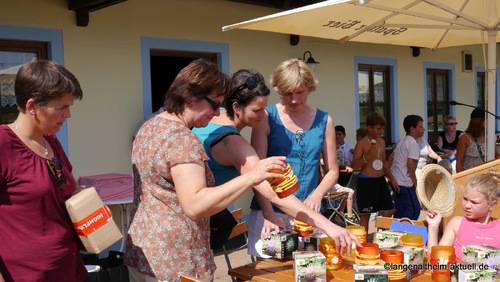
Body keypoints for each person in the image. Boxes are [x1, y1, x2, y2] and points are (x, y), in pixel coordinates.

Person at [124, 60, 287, 281]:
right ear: (190, 97)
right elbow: (195, 205)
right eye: (214, 104)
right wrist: (251, 177)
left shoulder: (149, 127)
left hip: (144, 255)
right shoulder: (183, 139)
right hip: (178, 263)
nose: (217, 112)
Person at [193, 69, 359, 258]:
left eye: (264, 108)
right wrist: (328, 225)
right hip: (195, 223)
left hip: (195, 219)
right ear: (237, 107)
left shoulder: (213, 118)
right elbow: (270, 190)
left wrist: (317, 195)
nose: (265, 115)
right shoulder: (233, 142)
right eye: (257, 110)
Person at [0, 60, 87, 281]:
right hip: (24, 275)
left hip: (68, 269)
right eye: (61, 108)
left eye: (69, 107)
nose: (68, 115)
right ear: (32, 107)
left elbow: (71, 189)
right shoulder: (3, 144)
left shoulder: (51, 142)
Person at [250, 59, 341, 257]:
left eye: (299, 92)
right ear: (278, 89)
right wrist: (268, 213)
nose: (293, 100)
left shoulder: (325, 121)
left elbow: (333, 170)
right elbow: (255, 172)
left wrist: (317, 194)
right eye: (286, 93)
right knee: (269, 275)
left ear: (310, 87)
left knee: (310, 272)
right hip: (271, 213)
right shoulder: (266, 117)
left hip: (309, 213)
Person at [427, 174, 500, 260]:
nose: (467, 205)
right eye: (465, 199)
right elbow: (436, 259)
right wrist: (433, 226)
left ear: (492, 205)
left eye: (474, 202)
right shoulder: (456, 223)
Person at [351, 113, 398, 231]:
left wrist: (392, 180)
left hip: (380, 179)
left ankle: (380, 236)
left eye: (383, 128)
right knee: (366, 213)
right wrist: (367, 157)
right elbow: (354, 166)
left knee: (389, 209)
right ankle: (363, 241)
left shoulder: (381, 142)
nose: (381, 131)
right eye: (378, 128)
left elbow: (385, 163)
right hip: (366, 181)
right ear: (369, 127)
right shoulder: (361, 144)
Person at [390, 115, 424, 220]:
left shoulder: (402, 141)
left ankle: (397, 231)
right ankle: (408, 232)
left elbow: (391, 157)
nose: (424, 129)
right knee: (414, 209)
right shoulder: (413, 143)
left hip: (396, 180)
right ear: (412, 129)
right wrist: (415, 182)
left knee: (401, 209)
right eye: (420, 127)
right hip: (405, 182)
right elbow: (410, 164)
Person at [456, 108, 487, 173]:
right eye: (486, 120)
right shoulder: (464, 138)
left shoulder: (488, 137)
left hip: (485, 177)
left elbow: (497, 155)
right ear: (481, 122)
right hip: (470, 178)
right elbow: (459, 162)